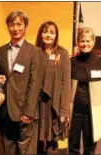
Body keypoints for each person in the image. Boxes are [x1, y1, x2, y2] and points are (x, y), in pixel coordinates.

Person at [0, 11, 42, 155]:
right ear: (8, 27)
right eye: (12, 24)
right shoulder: (0, 51)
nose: (15, 28)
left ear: (25, 27)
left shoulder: (34, 51)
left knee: (26, 151)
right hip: (5, 111)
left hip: (24, 112)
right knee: (8, 149)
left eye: (19, 24)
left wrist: (29, 112)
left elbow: (35, 84)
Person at [69, 27, 101, 155]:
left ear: (94, 42)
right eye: (82, 41)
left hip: (93, 113)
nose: (85, 44)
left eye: (88, 41)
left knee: (90, 149)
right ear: (78, 43)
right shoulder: (72, 62)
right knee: (73, 148)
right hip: (74, 113)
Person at [35, 21, 71, 154]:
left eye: (52, 32)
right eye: (45, 31)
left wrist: (64, 111)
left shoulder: (62, 53)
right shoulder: (35, 52)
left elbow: (65, 83)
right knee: (37, 141)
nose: (48, 35)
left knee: (52, 142)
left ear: (56, 35)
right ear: (40, 34)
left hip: (53, 105)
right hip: (37, 104)